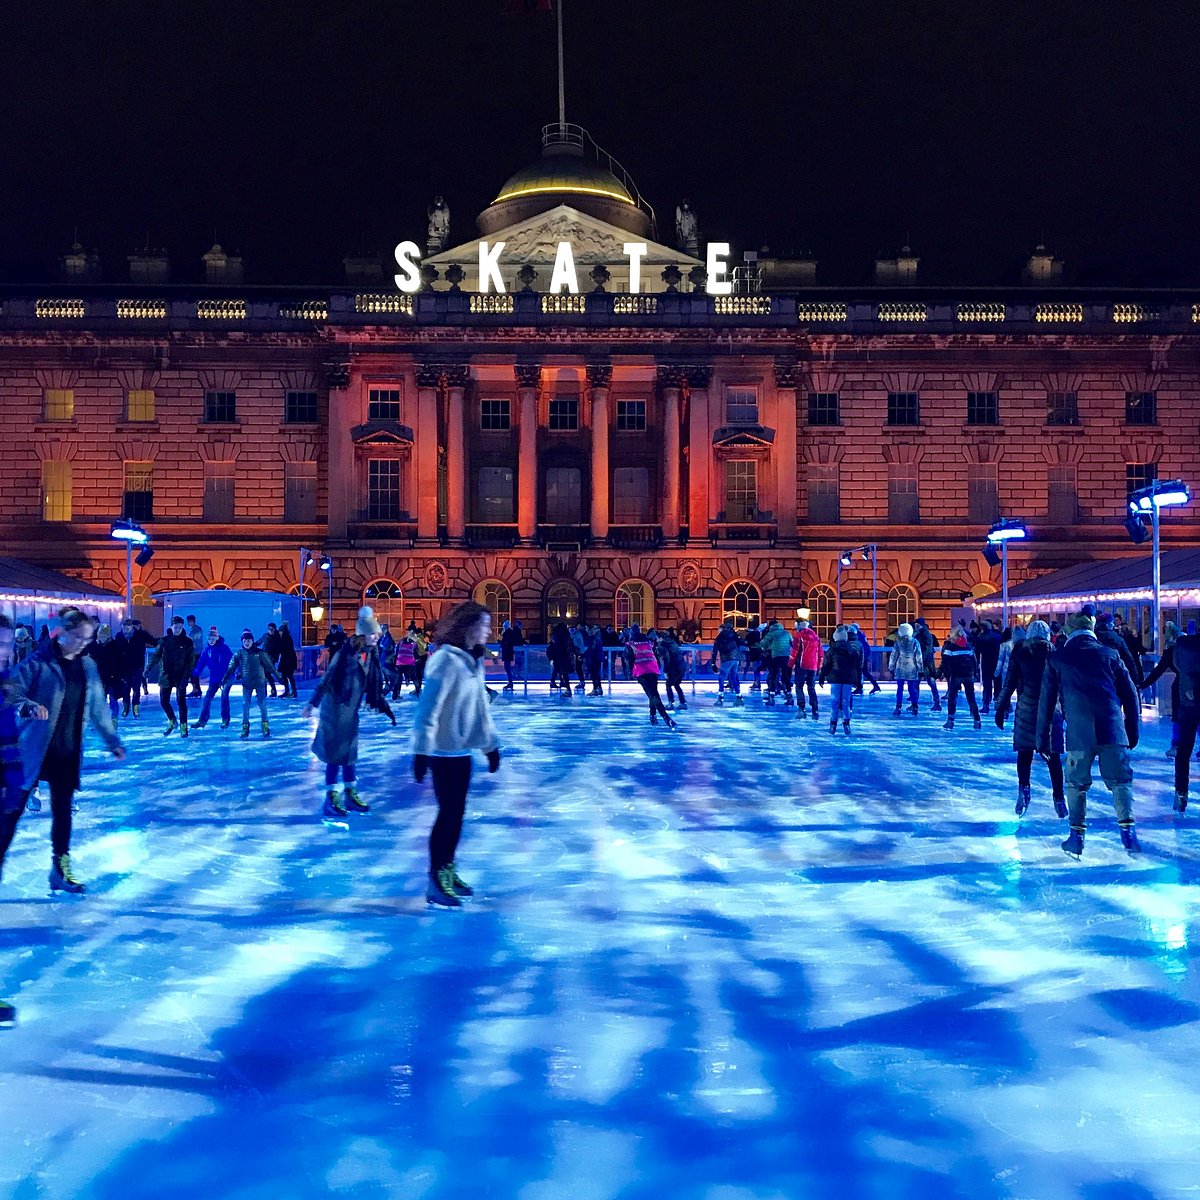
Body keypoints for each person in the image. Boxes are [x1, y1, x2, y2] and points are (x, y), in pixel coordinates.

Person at [1, 608, 126, 894]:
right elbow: (10, 690)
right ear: (64, 634)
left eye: (88, 638)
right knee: (12, 813)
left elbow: (97, 707)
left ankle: (60, 869)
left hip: (66, 750)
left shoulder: (88, 666)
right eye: (79, 637)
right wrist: (28, 706)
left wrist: (112, 740)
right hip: (33, 749)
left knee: (63, 812)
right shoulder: (39, 662)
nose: (84, 643)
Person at [411, 601, 500, 908]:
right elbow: (428, 707)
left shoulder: (472, 661)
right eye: (484, 625)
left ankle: (448, 869)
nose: (488, 631)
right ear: (467, 627)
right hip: (442, 752)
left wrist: (490, 746)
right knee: (448, 814)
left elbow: (479, 710)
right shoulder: (445, 660)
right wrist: (421, 751)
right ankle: (436, 878)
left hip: (461, 752)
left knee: (457, 814)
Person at [1036, 610, 1141, 857]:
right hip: (1112, 730)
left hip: (1079, 733)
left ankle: (1076, 837)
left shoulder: (1058, 658)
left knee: (1075, 783)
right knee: (1121, 781)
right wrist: (1132, 731)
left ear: (1069, 632)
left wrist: (1042, 739)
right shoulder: (1110, 654)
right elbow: (1130, 696)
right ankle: (1128, 834)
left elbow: (1046, 702)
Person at [310, 606, 395, 820]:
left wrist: (385, 707)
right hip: (335, 709)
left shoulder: (370, 655)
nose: (377, 636)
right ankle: (330, 797)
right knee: (335, 755)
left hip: (350, 711)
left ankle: (349, 793)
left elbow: (372, 685)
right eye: (373, 633)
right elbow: (328, 678)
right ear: (362, 634)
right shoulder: (345, 654)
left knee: (349, 754)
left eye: (377, 633)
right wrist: (313, 703)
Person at [995, 620, 1066, 818]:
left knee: (1025, 754)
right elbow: (1062, 686)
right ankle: (1059, 798)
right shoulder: (1054, 652)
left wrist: (1000, 708)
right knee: (1053, 757)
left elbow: (1008, 683)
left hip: (1026, 707)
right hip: (1051, 710)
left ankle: (1023, 791)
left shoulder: (1020, 651)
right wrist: (1069, 714)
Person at [1162, 624, 1200, 813]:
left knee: (1183, 752)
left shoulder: (1183, 644)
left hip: (1188, 702)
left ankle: (1181, 793)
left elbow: (1176, 665)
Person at [221, 630, 279, 739]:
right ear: (242, 642)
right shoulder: (239, 654)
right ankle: (245, 727)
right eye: (244, 641)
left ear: (252, 641)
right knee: (245, 705)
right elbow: (231, 668)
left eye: (248, 640)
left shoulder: (260, 653)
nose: (247, 643)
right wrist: (224, 679)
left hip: (260, 682)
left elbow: (270, 666)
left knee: (262, 704)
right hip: (247, 684)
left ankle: (265, 725)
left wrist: (278, 677)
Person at [146, 615, 197, 737]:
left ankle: (183, 726)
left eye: (180, 627)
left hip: (181, 676)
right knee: (164, 701)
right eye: (176, 627)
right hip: (166, 675)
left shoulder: (187, 642)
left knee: (181, 701)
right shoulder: (164, 641)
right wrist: (148, 668)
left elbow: (190, 661)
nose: (178, 629)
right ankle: (172, 721)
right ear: (171, 627)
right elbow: (156, 656)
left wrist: (186, 676)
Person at [624, 624, 675, 728]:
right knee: (653, 693)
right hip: (653, 669)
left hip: (641, 671)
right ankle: (653, 715)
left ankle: (665, 717)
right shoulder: (648, 642)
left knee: (653, 695)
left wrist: (630, 672)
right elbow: (656, 654)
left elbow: (628, 659)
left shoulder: (630, 644)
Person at [1142, 621, 1181, 757]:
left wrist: (1144, 684)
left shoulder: (1171, 651)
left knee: (1177, 717)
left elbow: (1159, 670)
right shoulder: (1192, 648)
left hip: (1180, 685)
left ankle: (1176, 746)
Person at [819, 626, 861, 734]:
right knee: (845, 701)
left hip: (835, 678)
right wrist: (858, 682)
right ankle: (846, 723)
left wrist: (821, 677)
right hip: (848, 679)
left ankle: (833, 724)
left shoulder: (832, 651)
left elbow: (826, 666)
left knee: (835, 701)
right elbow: (857, 667)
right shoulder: (852, 651)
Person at [940, 629, 982, 731]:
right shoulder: (969, 647)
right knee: (971, 698)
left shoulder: (950, 648)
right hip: (968, 676)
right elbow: (974, 661)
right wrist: (974, 673)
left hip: (956, 675)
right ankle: (977, 720)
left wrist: (944, 674)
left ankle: (950, 721)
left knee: (952, 698)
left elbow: (945, 663)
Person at [194, 626, 234, 729]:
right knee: (207, 699)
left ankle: (225, 719)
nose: (211, 641)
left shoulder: (224, 648)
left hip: (227, 677)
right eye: (209, 639)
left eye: (213, 639)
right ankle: (202, 720)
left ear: (217, 638)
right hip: (215, 678)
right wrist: (196, 672)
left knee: (224, 697)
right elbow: (201, 662)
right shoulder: (206, 650)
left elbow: (234, 660)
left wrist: (236, 671)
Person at [1095, 612, 1144, 688]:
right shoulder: (1117, 639)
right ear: (1107, 624)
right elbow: (1129, 659)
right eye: (1112, 622)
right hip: (1116, 674)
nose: (1114, 624)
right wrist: (1135, 678)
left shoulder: (1092, 638)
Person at [85, 623, 122, 721]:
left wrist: (119, 675)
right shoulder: (92, 646)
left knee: (113, 699)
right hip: (98, 677)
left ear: (108, 635)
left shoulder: (114, 646)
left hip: (112, 677)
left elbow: (119, 662)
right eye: (100, 635)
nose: (102, 637)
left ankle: (114, 718)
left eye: (104, 635)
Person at [887, 622, 924, 716]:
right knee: (912, 688)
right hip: (912, 667)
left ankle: (898, 707)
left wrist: (891, 666)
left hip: (901, 667)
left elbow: (894, 655)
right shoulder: (915, 642)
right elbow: (919, 656)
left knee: (900, 688)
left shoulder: (898, 642)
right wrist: (920, 669)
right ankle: (915, 707)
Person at [792, 619, 822, 720]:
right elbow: (820, 653)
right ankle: (815, 709)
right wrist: (818, 666)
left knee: (799, 686)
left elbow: (794, 652)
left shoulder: (798, 636)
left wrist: (790, 664)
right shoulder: (816, 637)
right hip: (813, 666)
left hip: (802, 665)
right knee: (811, 687)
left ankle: (801, 709)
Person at [761, 619, 793, 705]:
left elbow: (763, 644)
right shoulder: (786, 633)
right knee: (786, 677)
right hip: (786, 657)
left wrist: (768, 647)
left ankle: (771, 697)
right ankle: (789, 696)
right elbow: (792, 643)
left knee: (774, 676)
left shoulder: (771, 633)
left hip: (775, 656)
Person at [712, 620, 743, 706]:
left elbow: (714, 652)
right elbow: (740, 642)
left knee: (721, 678)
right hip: (735, 658)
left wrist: (713, 663)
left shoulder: (719, 638)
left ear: (721, 629)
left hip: (726, 659)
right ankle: (739, 697)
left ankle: (720, 698)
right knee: (733, 677)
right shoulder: (732, 635)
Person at [974, 619, 1002, 713]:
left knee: (987, 684)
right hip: (996, 661)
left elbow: (977, 651)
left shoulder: (980, 637)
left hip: (985, 662)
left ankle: (986, 704)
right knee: (998, 682)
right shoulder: (997, 637)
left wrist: (977, 663)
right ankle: (998, 701)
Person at [913, 618, 941, 711]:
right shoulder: (922, 633)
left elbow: (925, 649)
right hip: (926, 662)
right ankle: (935, 702)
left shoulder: (923, 634)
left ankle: (936, 703)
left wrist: (920, 661)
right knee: (922, 683)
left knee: (923, 682)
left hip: (925, 663)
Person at [657, 628, 687, 710]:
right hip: (681, 666)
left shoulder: (662, 645)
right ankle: (683, 702)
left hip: (673, 668)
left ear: (660, 638)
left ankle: (671, 703)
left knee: (668, 685)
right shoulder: (672, 642)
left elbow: (667, 658)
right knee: (676, 684)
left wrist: (666, 670)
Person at [849, 623, 882, 695]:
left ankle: (860, 688)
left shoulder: (858, 637)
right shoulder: (861, 635)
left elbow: (859, 647)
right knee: (863, 672)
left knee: (861, 672)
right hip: (863, 656)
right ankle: (865, 687)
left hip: (861, 657)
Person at [547, 623, 574, 695]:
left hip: (559, 656)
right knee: (563, 672)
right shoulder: (566, 636)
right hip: (565, 656)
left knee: (559, 670)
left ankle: (564, 686)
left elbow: (553, 647)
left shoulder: (556, 636)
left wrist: (552, 657)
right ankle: (565, 686)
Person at [499, 619, 524, 692]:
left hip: (507, 653)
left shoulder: (507, 634)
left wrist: (501, 642)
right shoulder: (509, 633)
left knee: (507, 668)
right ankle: (511, 681)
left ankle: (510, 682)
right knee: (508, 668)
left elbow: (506, 643)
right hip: (508, 653)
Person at [277, 620, 299, 698]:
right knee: (286, 676)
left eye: (280, 631)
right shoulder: (286, 638)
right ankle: (289, 691)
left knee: (289, 676)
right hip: (287, 659)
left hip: (288, 660)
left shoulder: (285, 639)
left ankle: (292, 691)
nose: (279, 633)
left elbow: (284, 649)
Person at [262, 621, 283, 697]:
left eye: (272, 629)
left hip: (271, 659)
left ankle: (271, 690)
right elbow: (259, 642)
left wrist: (275, 658)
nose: (270, 630)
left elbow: (278, 649)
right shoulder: (266, 636)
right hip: (264, 658)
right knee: (265, 675)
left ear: (274, 629)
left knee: (266, 674)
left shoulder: (277, 638)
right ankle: (267, 691)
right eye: (269, 629)